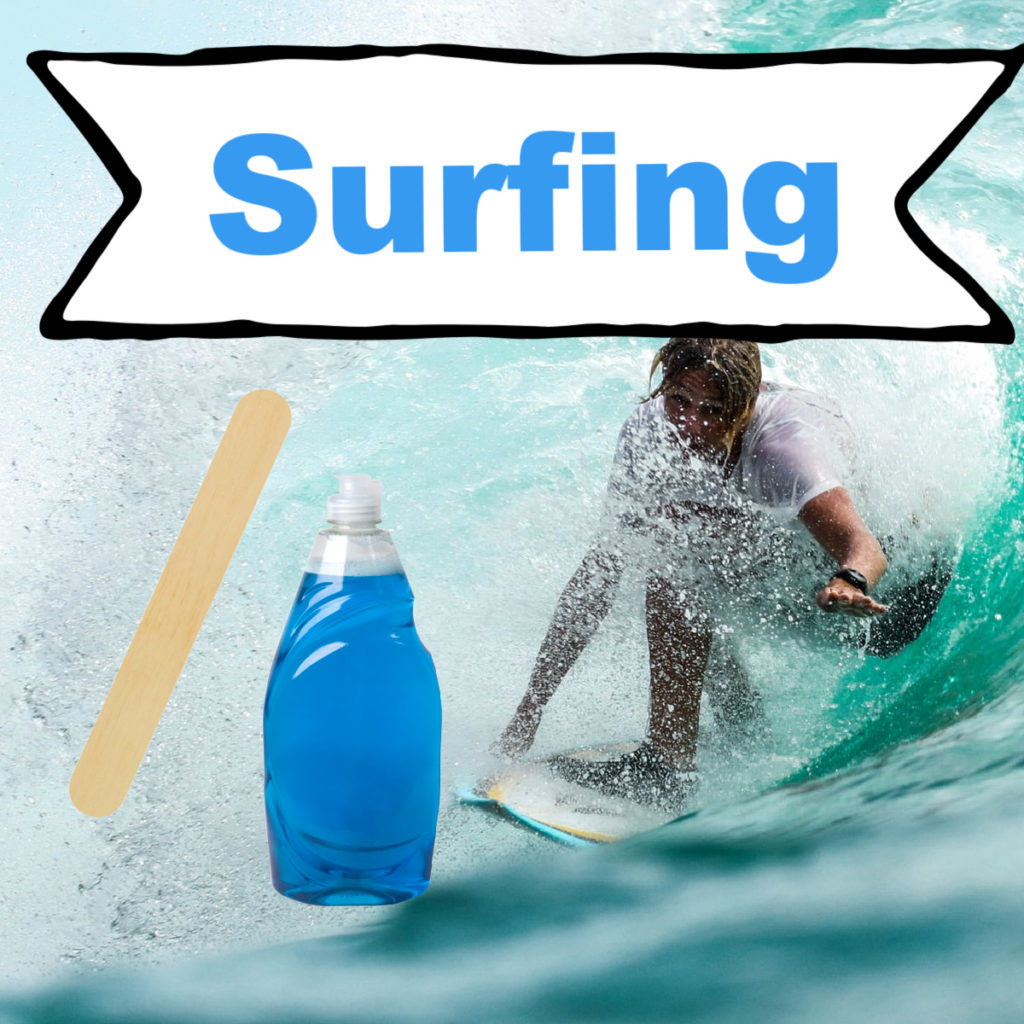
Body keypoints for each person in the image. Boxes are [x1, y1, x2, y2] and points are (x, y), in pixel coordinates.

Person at [494, 337, 949, 808]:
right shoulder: (649, 433)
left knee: (679, 553)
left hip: (892, 603)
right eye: (679, 400)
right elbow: (598, 576)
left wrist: (849, 582)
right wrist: (532, 706)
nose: (691, 423)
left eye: (713, 410)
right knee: (666, 541)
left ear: (746, 404)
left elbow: (864, 547)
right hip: (803, 584)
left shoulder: (783, 447)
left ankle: (668, 766)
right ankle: (740, 723)